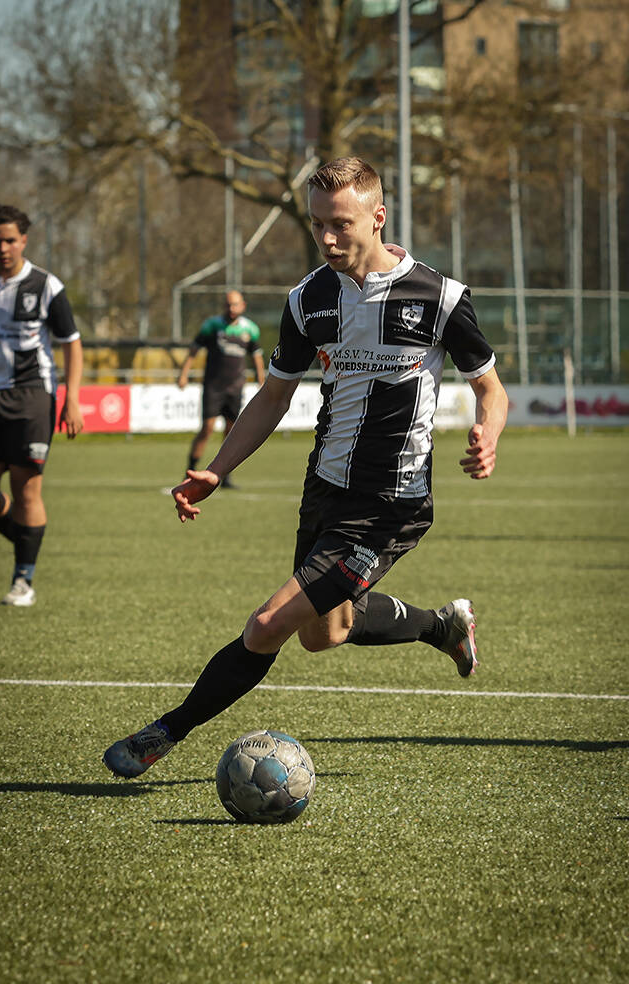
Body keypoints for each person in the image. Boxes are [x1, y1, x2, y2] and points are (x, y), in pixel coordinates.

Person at [103, 156, 508, 779]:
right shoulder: (308, 298)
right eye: (318, 224)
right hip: (325, 489)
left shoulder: (440, 297)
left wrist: (489, 434)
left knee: (269, 623)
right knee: (323, 633)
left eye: (341, 224)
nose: (327, 238)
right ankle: (442, 626)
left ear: (377, 217)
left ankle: (163, 733)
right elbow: (273, 396)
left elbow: (490, 388)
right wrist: (216, 469)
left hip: (390, 504)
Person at [0, 203, 84, 606]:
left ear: (23, 240)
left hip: (33, 395)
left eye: (9, 240)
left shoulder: (46, 286)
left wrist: (72, 399)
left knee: (26, 488)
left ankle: (24, 578)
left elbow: (71, 343)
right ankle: (25, 538)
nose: (2, 248)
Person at [177, 290, 265, 488]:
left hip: (236, 387)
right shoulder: (212, 325)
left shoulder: (250, 329)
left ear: (243, 306)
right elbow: (194, 350)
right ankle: (189, 471)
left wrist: (261, 379)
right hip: (213, 387)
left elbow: (256, 355)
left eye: (235, 304)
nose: (231, 308)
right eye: (228, 304)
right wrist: (184, 373)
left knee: (230, 432)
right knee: (207, 429)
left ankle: (226, 476)